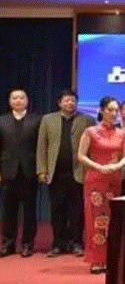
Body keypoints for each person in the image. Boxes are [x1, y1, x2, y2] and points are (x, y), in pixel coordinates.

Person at [37, 89, 95, 257]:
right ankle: (58, 244)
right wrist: (42, 169)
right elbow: (42, 146)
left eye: (73, 100)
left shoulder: (87, 120)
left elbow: (92, 146)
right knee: (57, 210)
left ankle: (76, 243)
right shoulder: (48, 120)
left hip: (78, 173)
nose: (70, 103)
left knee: (77, 211)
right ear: (59, 103)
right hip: (55, 173)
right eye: (67, 100)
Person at [78, 96, 125, 273]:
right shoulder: (91, 131)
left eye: (116, 110)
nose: (113, 113)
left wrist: (117, 166)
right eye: (110, 110)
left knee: (112, 220)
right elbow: (81, 155)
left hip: (114, 180)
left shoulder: (123, 133)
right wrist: (99, 167)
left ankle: (110, 258)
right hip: (95, 180)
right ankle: (96, 259)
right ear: (101, 110)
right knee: (95, 220)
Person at [0, 89, 41, 257]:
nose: (18, 101)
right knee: (9, 211)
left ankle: (27, 244)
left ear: (27, 101)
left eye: (21, 98)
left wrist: (41, 170)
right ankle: (8, 244)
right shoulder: (2, 121)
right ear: (9, 101)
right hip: (7, 171)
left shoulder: (36, 120)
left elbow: (40, 147)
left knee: (29, 210)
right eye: (14, 98)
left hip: (29, 171)